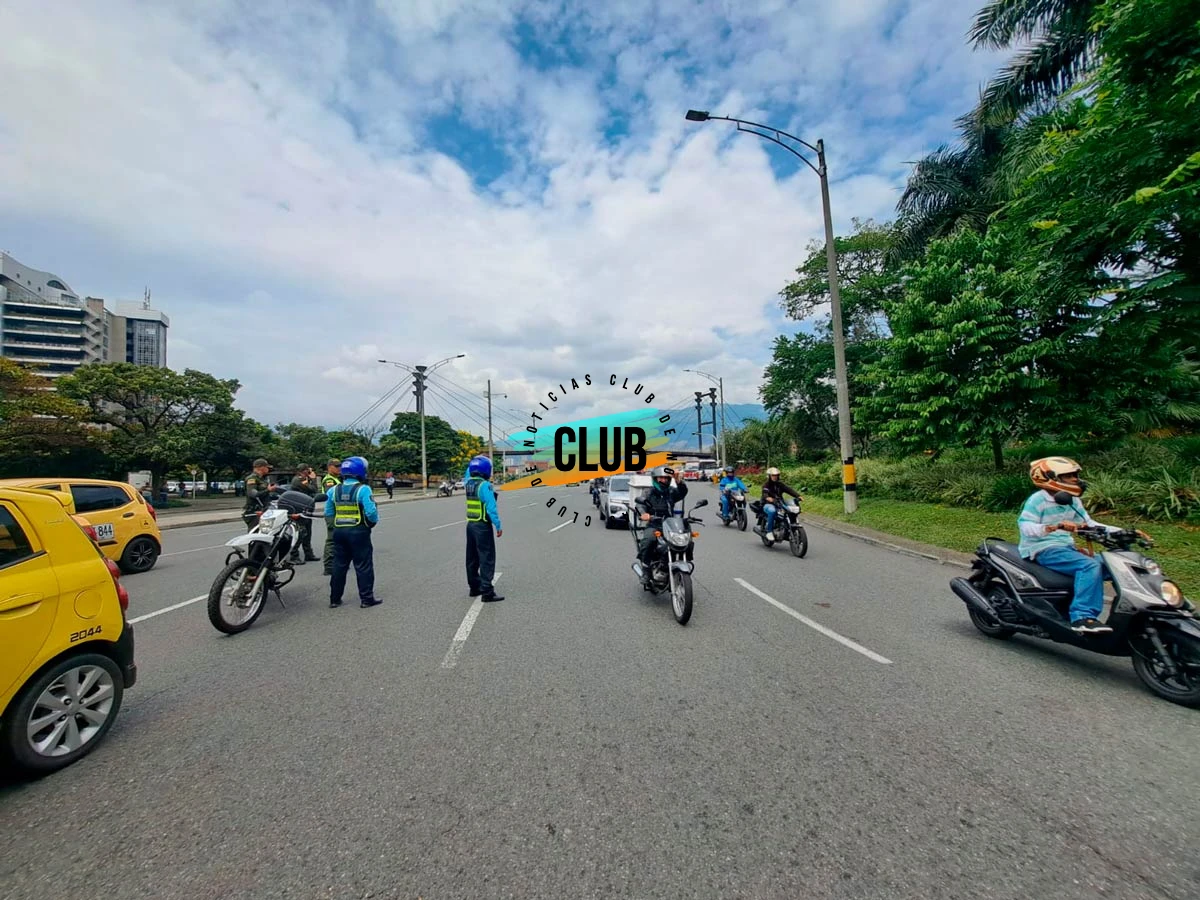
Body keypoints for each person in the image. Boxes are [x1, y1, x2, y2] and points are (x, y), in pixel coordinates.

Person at [1017, 456, 1148, 635]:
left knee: (1115, 564)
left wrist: (1125, 531)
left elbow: (1089, 524)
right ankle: (1082, 617)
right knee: (1089, 565)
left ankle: (1135, 614)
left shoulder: (1072, 500)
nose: (1075, 479)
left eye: (1075, 475)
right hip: (1043, 549)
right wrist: (1054, 526)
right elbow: (1026, 527)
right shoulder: (1037, 500)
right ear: (1048, 477)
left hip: (1066, 548)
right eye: (1068, 476)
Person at [324, 456, 380, 608]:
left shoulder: (334, 490)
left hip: (339, 532)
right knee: (363, 565)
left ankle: (334, 599)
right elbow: (371, 512)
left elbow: (328, 512)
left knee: (339, 565)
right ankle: (366, 599)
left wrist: (336, 525)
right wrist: (372, 522)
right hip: (358, 531)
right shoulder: (363, 489)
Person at [634, 465, 688, 583]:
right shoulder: (648, 492)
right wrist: (644, 514)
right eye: (661, 478)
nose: (663, 480)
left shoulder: (671, 492)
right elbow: (640, 504)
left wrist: (679, 481)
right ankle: (646, 570)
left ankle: (673, 565)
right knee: (648, 541)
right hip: (654, 524)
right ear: (655, 479)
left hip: (669, 525)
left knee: (685, 540)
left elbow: (682, 493)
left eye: (666, 478)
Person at [464, 455, 504, 602]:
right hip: (482, 526)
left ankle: (474, 587)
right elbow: (491, 508)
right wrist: (498, 525)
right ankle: (487, 591)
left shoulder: (468, 483)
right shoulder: (485, 486)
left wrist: (473, 463)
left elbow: (467, 473)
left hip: (470, 526)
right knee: (487, 557)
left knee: (472, 558)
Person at [288, 464, 322, 564]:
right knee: (301, 532)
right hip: (299, 509)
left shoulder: (304, 479)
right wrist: (314, 479)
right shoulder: (298, 480)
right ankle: (294, 555)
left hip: (306, 509)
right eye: (308, 470)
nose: (310, 472)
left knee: (307, 533)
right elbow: (313, 489)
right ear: (304, 471)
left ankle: (308, 554)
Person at [758, 466, 802, 542]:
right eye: (773, 475)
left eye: (776, 475)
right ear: (769, 476)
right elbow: (765, 493)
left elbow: (789, 490)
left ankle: (787, 528)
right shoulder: (766, 485)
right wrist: (768, 498)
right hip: (768, 504)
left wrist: (798, 496)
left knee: (789, 511)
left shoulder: (780, 484)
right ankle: (769, 532)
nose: (775, 477)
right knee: (772, 511)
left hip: (779, 503)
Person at [242, 458, 278, 531]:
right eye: (267, 467)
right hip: (254, 510)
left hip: (264, 509)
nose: (268, 469)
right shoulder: (252, 479)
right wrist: (268, 490)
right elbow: (253, 494)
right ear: (261, 467)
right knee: (255, 532)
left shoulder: (262, 479)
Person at [320, 458, 342, 576]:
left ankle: (337, 562)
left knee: (338, 539)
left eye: (340, 466)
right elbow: (333, 495)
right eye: (336, 466)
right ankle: (328, 566)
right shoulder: (329, 480)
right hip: (332, 513)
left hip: (338, 512)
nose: (339, 468)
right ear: (329, 467)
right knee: (332, 539)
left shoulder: (337, 479)